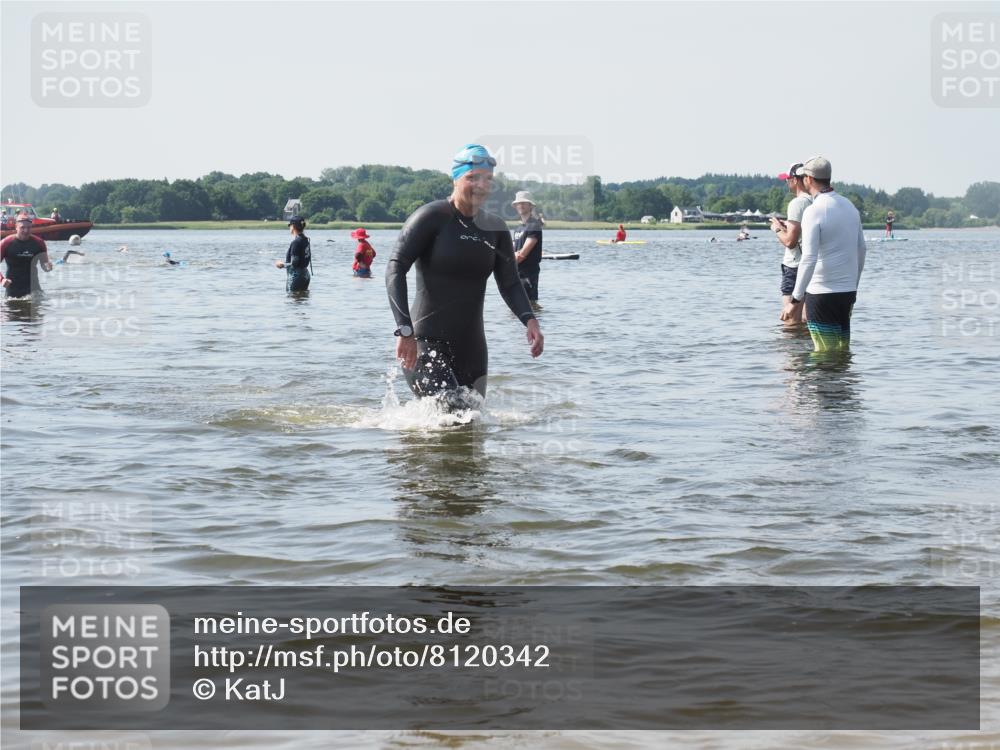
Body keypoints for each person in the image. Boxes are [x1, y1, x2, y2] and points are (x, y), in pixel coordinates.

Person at [386, 143, 544, 404]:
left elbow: (510, 282)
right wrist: (405, 330)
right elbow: (395, 267)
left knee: (472, 426)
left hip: (472, 348)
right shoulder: (430, 217)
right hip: (423, 343)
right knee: (453, 414)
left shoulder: (495, 228)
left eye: (488, 179)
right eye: (472, 178)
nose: (481, 185)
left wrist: (530, 321)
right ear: (456, 178)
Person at [783, 156, 867, 351]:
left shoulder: (814, 211)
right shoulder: (850, 207)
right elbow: (862, 250)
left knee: (823, 354)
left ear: (808, 179)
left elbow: (809, 258)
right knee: (841, 351)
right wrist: (853, 287)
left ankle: (816, 382)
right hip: (846, 293)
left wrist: (795, 300)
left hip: (822, 295)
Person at [770, 162, 812, 325]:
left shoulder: (797, 203)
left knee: (791, 320)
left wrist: (777, 229)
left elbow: (790, 242)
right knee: (807, 321)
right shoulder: (815, 200)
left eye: (787, 179)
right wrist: (788, 225)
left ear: (796, 180)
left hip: (795, 266)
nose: (786, 182)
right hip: (812, 265)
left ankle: (791, 350)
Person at [1, 212, 53, 297]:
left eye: (29, 227)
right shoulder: (5, 243)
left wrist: (48, 267)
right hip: (13, 291)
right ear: (16, 227)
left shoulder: (39, 243)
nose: (26, 230)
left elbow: (44, 265)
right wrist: (2, 280)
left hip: (34, 290)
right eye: (22, 227)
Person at [511, 190, 543, 303]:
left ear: (530, 206)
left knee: (530, 307)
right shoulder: (518, 229)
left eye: (524, 203)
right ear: (515, 206)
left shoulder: (534, 225)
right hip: (516, 274)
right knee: (515, 311)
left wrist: (506, 260)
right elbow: (512, 250)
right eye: (518, 203)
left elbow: (522, 255)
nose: (521, 205)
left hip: (528, 275)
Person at [275, 215, 311, 291]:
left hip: (296, 276)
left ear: (293, 226)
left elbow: (294, 263)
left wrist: (281, 265)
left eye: (290, 226)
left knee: (291, 298)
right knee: (302, 299)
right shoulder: (306, 240)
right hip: (306, 274)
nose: (289, 228)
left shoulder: (296, 242)